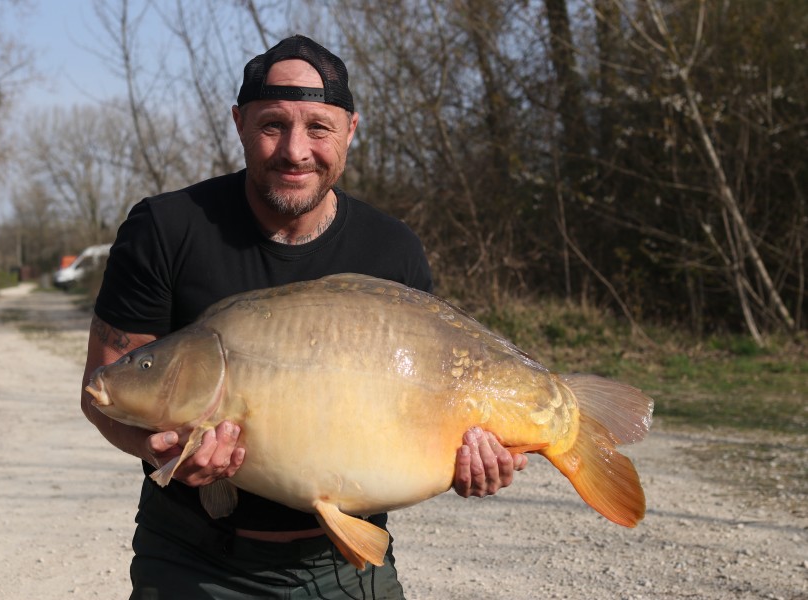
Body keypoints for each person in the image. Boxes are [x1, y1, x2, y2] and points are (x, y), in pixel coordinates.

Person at [81, 34, 528, 599]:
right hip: (192, 557)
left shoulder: (392, 250)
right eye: (273, 125)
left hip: (343, 563)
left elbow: (431, 407)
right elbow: (104, 387)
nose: (295, 150)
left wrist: (477, 461)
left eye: (318, 127)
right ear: (240, 123)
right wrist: (155, 449)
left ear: (350, 130)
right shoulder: (166, 229)